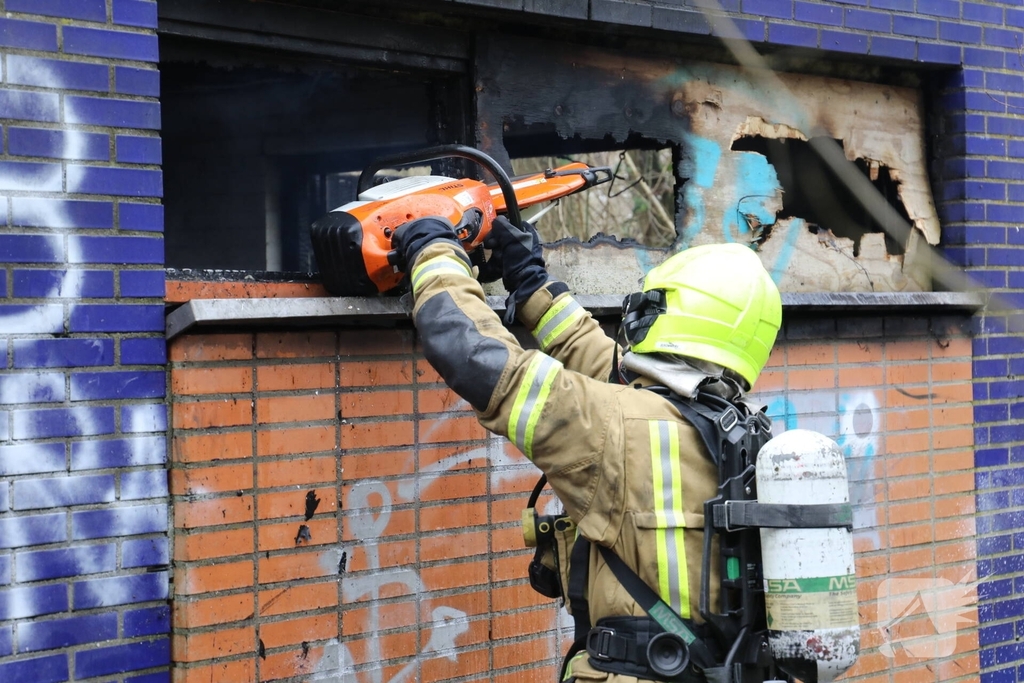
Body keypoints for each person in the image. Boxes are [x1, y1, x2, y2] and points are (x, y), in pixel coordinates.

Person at [392, 214, 782, 682]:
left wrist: (433, 251)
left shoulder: (615, 424)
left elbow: (477, 357)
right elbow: (606, 369)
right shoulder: (736, 428)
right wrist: (532, 284)